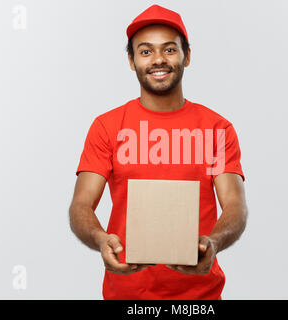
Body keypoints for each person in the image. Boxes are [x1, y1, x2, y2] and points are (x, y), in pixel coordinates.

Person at [69, 4, 248, 300]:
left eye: (169, 50)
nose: (158, 60)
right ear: (131, 60)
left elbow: (235, 206)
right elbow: (81, 205)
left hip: (199, 297)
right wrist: (100, 239)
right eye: (145, 51)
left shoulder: (217, 128)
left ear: (186, 56)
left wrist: (214, 242)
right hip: (126, 294)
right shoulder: (107, 127)